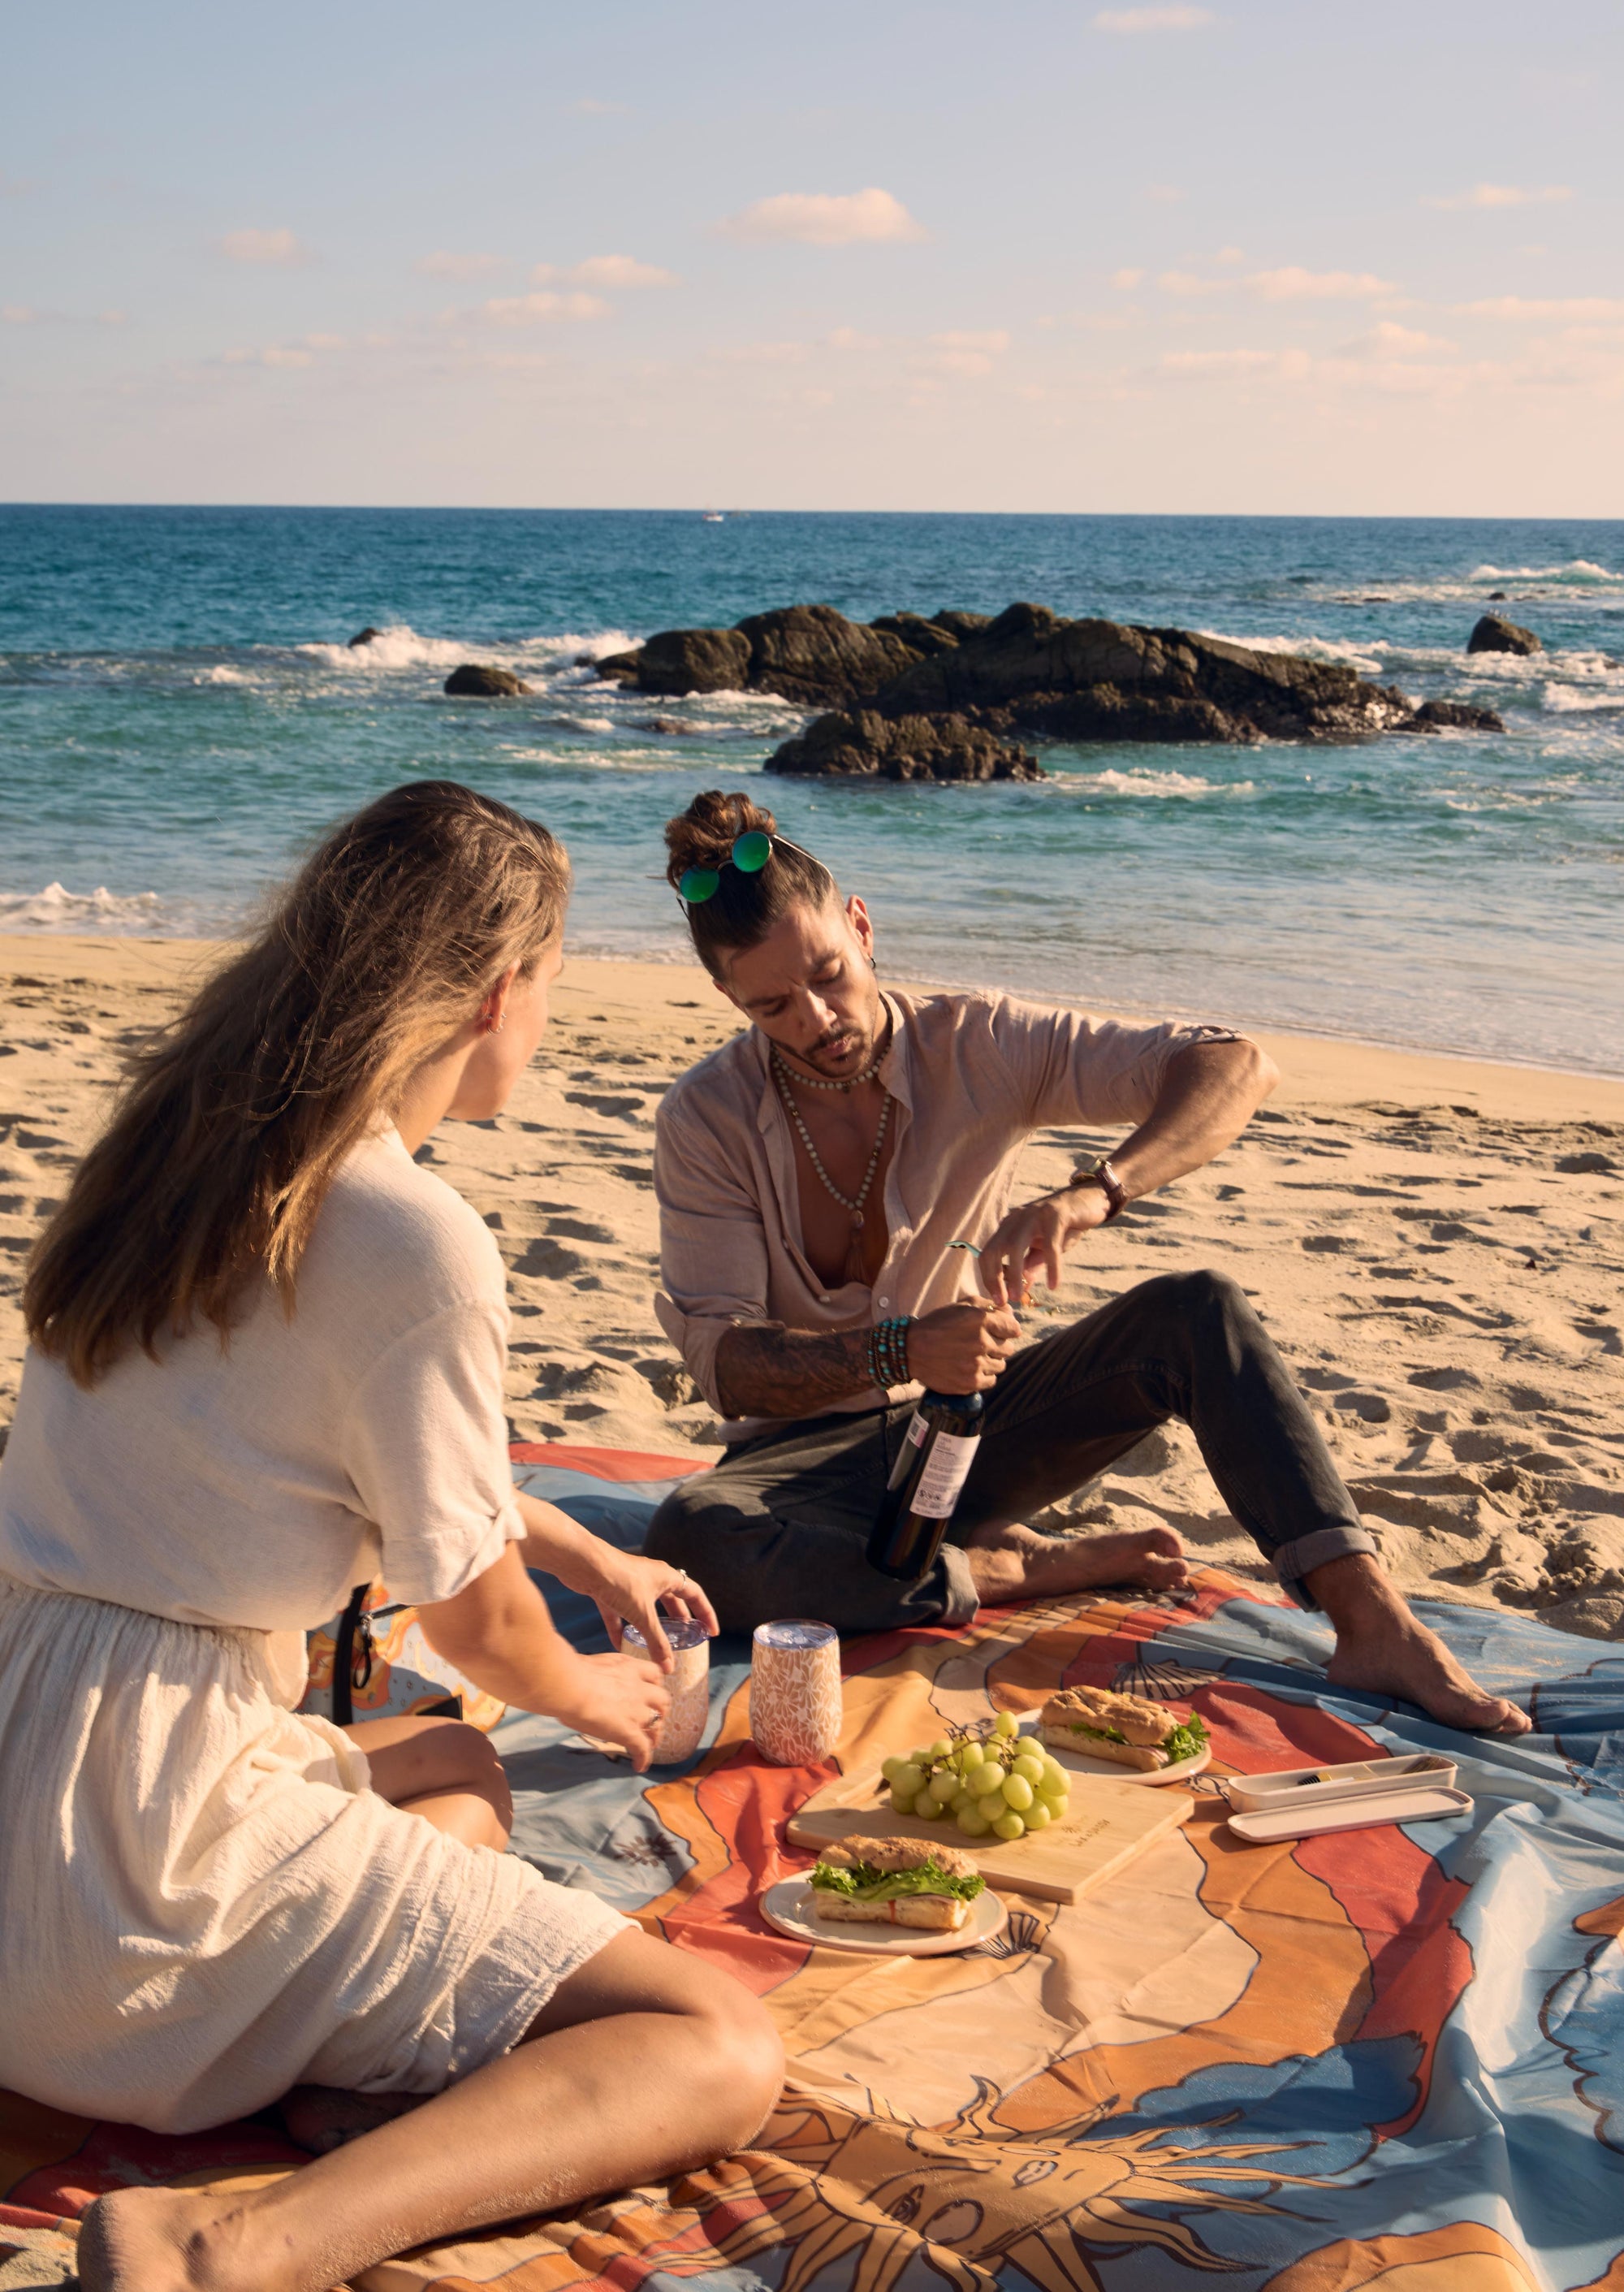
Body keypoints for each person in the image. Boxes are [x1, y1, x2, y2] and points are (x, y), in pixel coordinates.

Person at [0, 782, 782, 2292]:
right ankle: (233, 2238)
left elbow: (362, 1469)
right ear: (498, 991)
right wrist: (588, 1686)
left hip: (20, 1782)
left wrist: (580, 1555)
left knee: (454, 1768)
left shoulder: (172, 1161)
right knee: (716, 2039)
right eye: (546, 981)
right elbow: (474, 1630)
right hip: (137, 1879)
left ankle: (329, 2078)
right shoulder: (411, 1234)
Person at [645, 788, 1529, 1740]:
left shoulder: (980, 1040)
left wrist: (1093, 1189)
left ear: (861, 926)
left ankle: (1372, 1622)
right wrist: (898, 1348)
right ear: (731, 999)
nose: (818, 1017)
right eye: (773, 1004)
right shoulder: (705, 1117)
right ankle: (1009, 1569)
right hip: (796, 1470)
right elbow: (728, 1364)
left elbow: (1232, 1063)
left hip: (970, 1432)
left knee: (1198, 1309)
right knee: (689, 1543)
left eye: (829, 974)